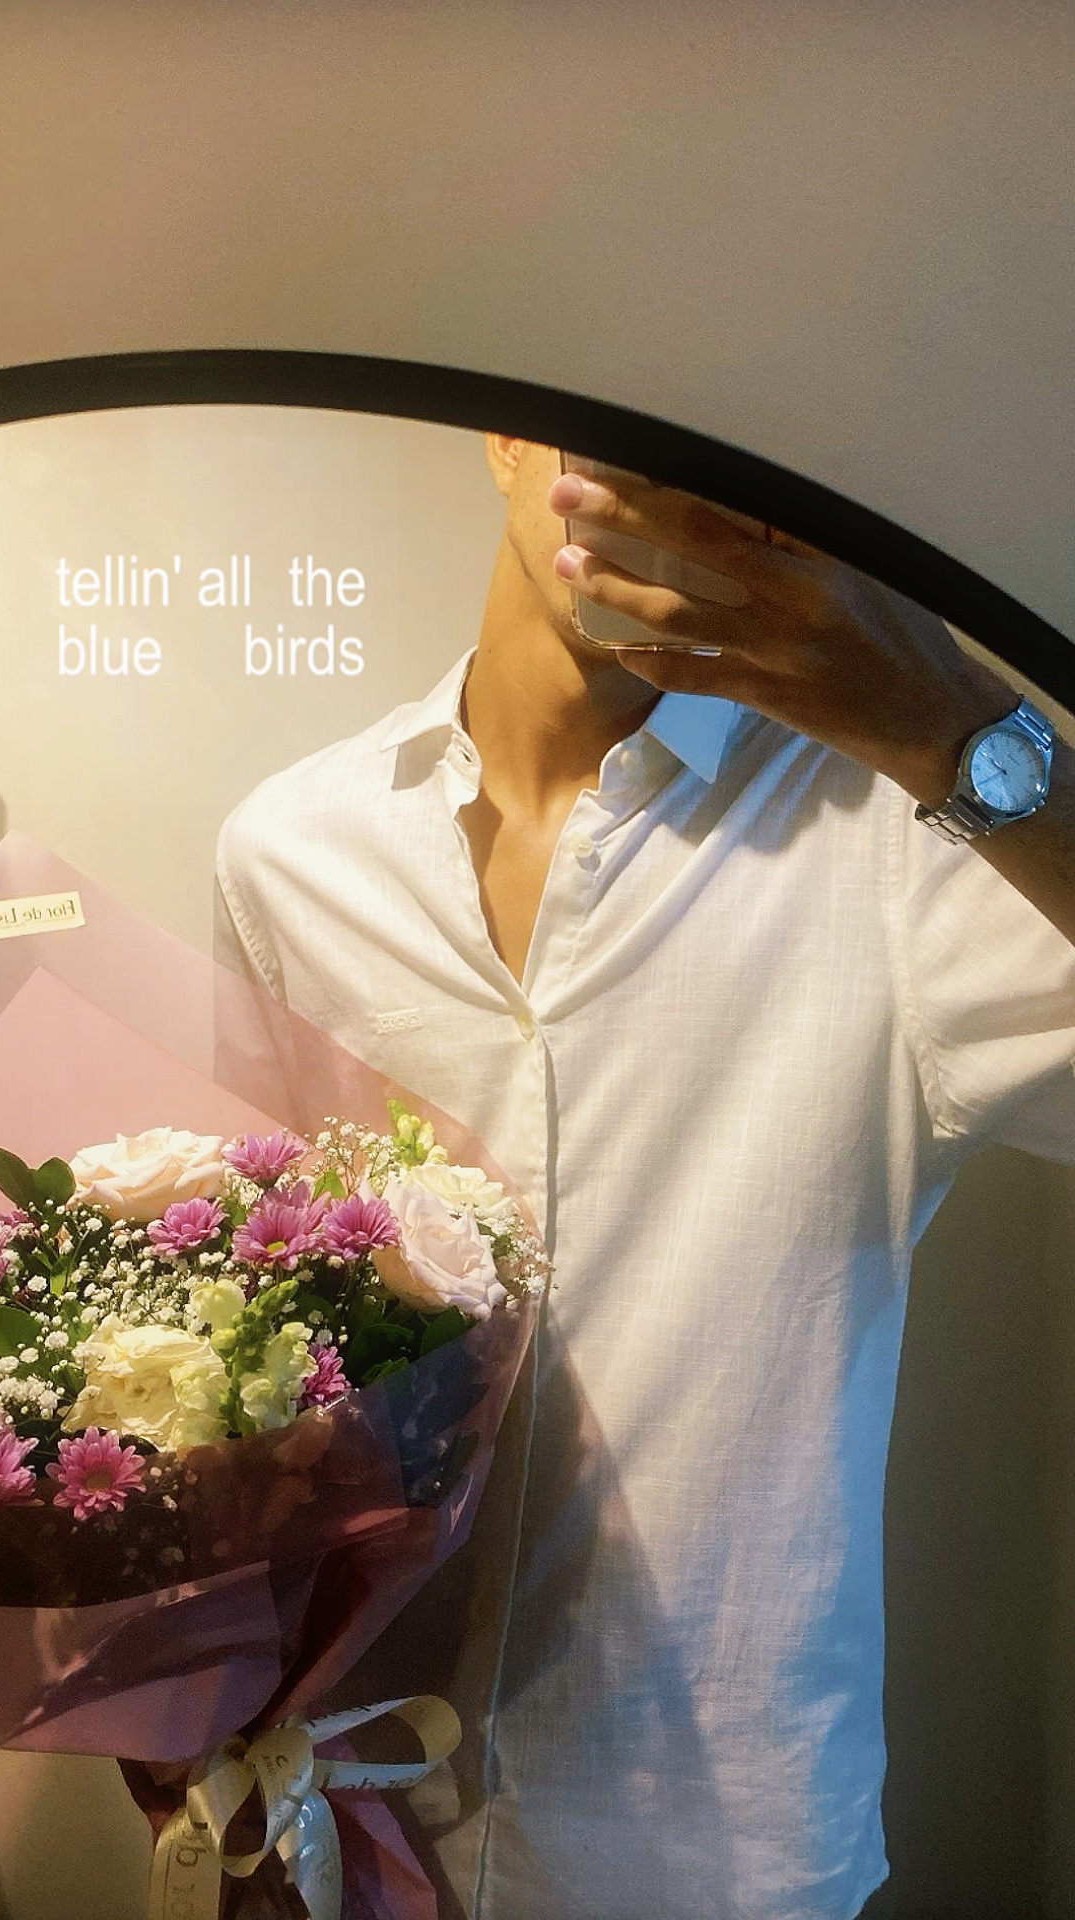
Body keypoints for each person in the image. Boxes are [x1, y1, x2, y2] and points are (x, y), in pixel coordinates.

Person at [215, 438, 1075, 1920]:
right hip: (349, 1812)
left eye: (714, 453)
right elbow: (267, 1342)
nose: (659, 490)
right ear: (505, 434)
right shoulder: (292, 855)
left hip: (711, 1852)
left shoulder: (908, 846)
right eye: (603, 430)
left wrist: (955, 725)